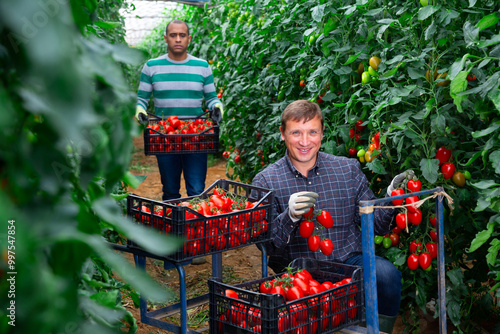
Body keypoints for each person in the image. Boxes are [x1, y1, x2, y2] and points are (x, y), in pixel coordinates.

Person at [252, 100, 407, 333]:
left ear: (322, 133)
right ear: (283, 134)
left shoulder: (347, 169)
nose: (305, 142)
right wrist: (289, 216)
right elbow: (266, 245)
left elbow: (375, 225)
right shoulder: (265, 181)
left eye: (312, 132)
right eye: (296, 133)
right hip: (299, 270)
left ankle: (372, 330)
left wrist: (390, 198)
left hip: (348, 263)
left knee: (386, 275)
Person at [135, 19, 223, 201]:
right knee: (170, 189)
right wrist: (139, 111)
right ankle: (173, 226)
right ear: (166, 38)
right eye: (173, 35)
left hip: (197, 136)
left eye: (182, 35)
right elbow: (141, 99)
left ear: (189, 39)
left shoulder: (202, 67)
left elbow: (212, 98)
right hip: (164, 136)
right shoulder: (151, 67)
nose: (177, 39)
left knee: (197, 189)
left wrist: (217, 107)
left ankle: (193, 227)